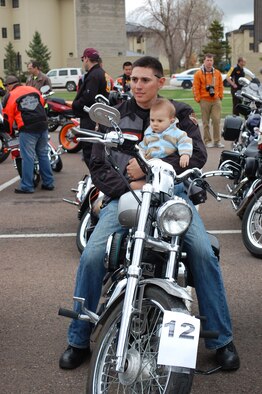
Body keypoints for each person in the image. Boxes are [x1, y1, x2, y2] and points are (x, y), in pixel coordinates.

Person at [59, 56, 240, 372]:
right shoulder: (116, 115)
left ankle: (221, 340)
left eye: (145, 80)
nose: (137, 85)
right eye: (134, 80)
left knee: (201, 252)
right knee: (91, 255)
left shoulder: (179, 113)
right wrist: (129, 186)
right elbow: (98, 163)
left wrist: (147, 169)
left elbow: (196, 154)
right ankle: (78, 338)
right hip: (124, 196)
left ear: (160, 81)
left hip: (172, 195)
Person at [2, 75, 54, 193]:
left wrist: (10, 132)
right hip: (43, 125)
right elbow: (42, 103)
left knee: (27, 157)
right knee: (43, 154)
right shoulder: (33, 89)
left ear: (9, 86)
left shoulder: (10, 96)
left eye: (6, 86)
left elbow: (7, 117)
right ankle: (48, 183)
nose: (6, 88)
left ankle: (27, 186)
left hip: (28, 128)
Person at [71, 48, 111, 167]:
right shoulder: (103, 73)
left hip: (91, 118)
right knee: (98, 151)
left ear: (87, 58)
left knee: (90, 152)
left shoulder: (93, 75)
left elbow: (88, 98)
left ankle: (96, 179)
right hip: (100, 117)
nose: (83, 62)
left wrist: (75, 105)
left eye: (83, 59)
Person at [139, 97, 192, 166]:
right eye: (152, 120)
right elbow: (142, 148)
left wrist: (185, 154)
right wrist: (140, 158)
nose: (155, 124)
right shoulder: (148, 134)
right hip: (150, 165)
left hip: (168, 164)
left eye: (160, 121)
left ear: (171, 120)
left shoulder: (176, 133)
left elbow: (185, 142)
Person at [193, 53, 224, 148]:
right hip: (204, 100)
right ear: (204, 61)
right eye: (207, 60)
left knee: (216, 120)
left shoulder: (217, 73)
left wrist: (220, 96)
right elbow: (195, 87)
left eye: (211, 60)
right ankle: (207, 141)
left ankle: (217, 141)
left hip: (216, 100)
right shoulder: (198, 74)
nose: (209, 62)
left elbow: (220, 86)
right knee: (205, 121)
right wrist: (198, 99)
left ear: (213, 61)